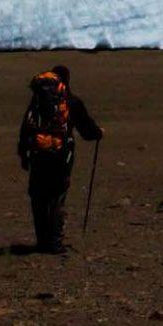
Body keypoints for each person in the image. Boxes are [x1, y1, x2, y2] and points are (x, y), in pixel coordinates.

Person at [17, 64, 103, 254]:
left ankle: (42, 241)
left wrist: (23, 155)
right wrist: (98, 134)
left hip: (38, 156)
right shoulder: (71, 102)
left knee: (39, 198)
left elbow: (26, 129)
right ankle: (55, 242)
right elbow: (87, 130)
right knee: (56, 198)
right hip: (61, 157)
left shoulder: (37, 103)